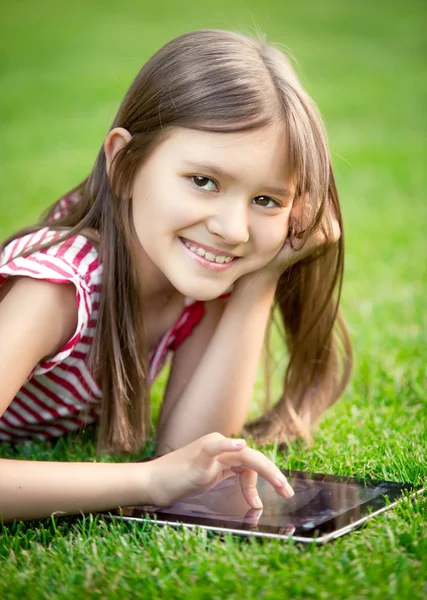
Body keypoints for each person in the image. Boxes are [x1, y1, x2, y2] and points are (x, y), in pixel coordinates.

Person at [0, 29, 352, 523]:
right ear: (123, 163)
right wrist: (146, 479)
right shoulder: (56, 290)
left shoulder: (197, 281)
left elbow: (189, 450)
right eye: (203, 181)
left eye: (266, 201)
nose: (232, 229)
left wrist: (261, 278)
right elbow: (167, 470)